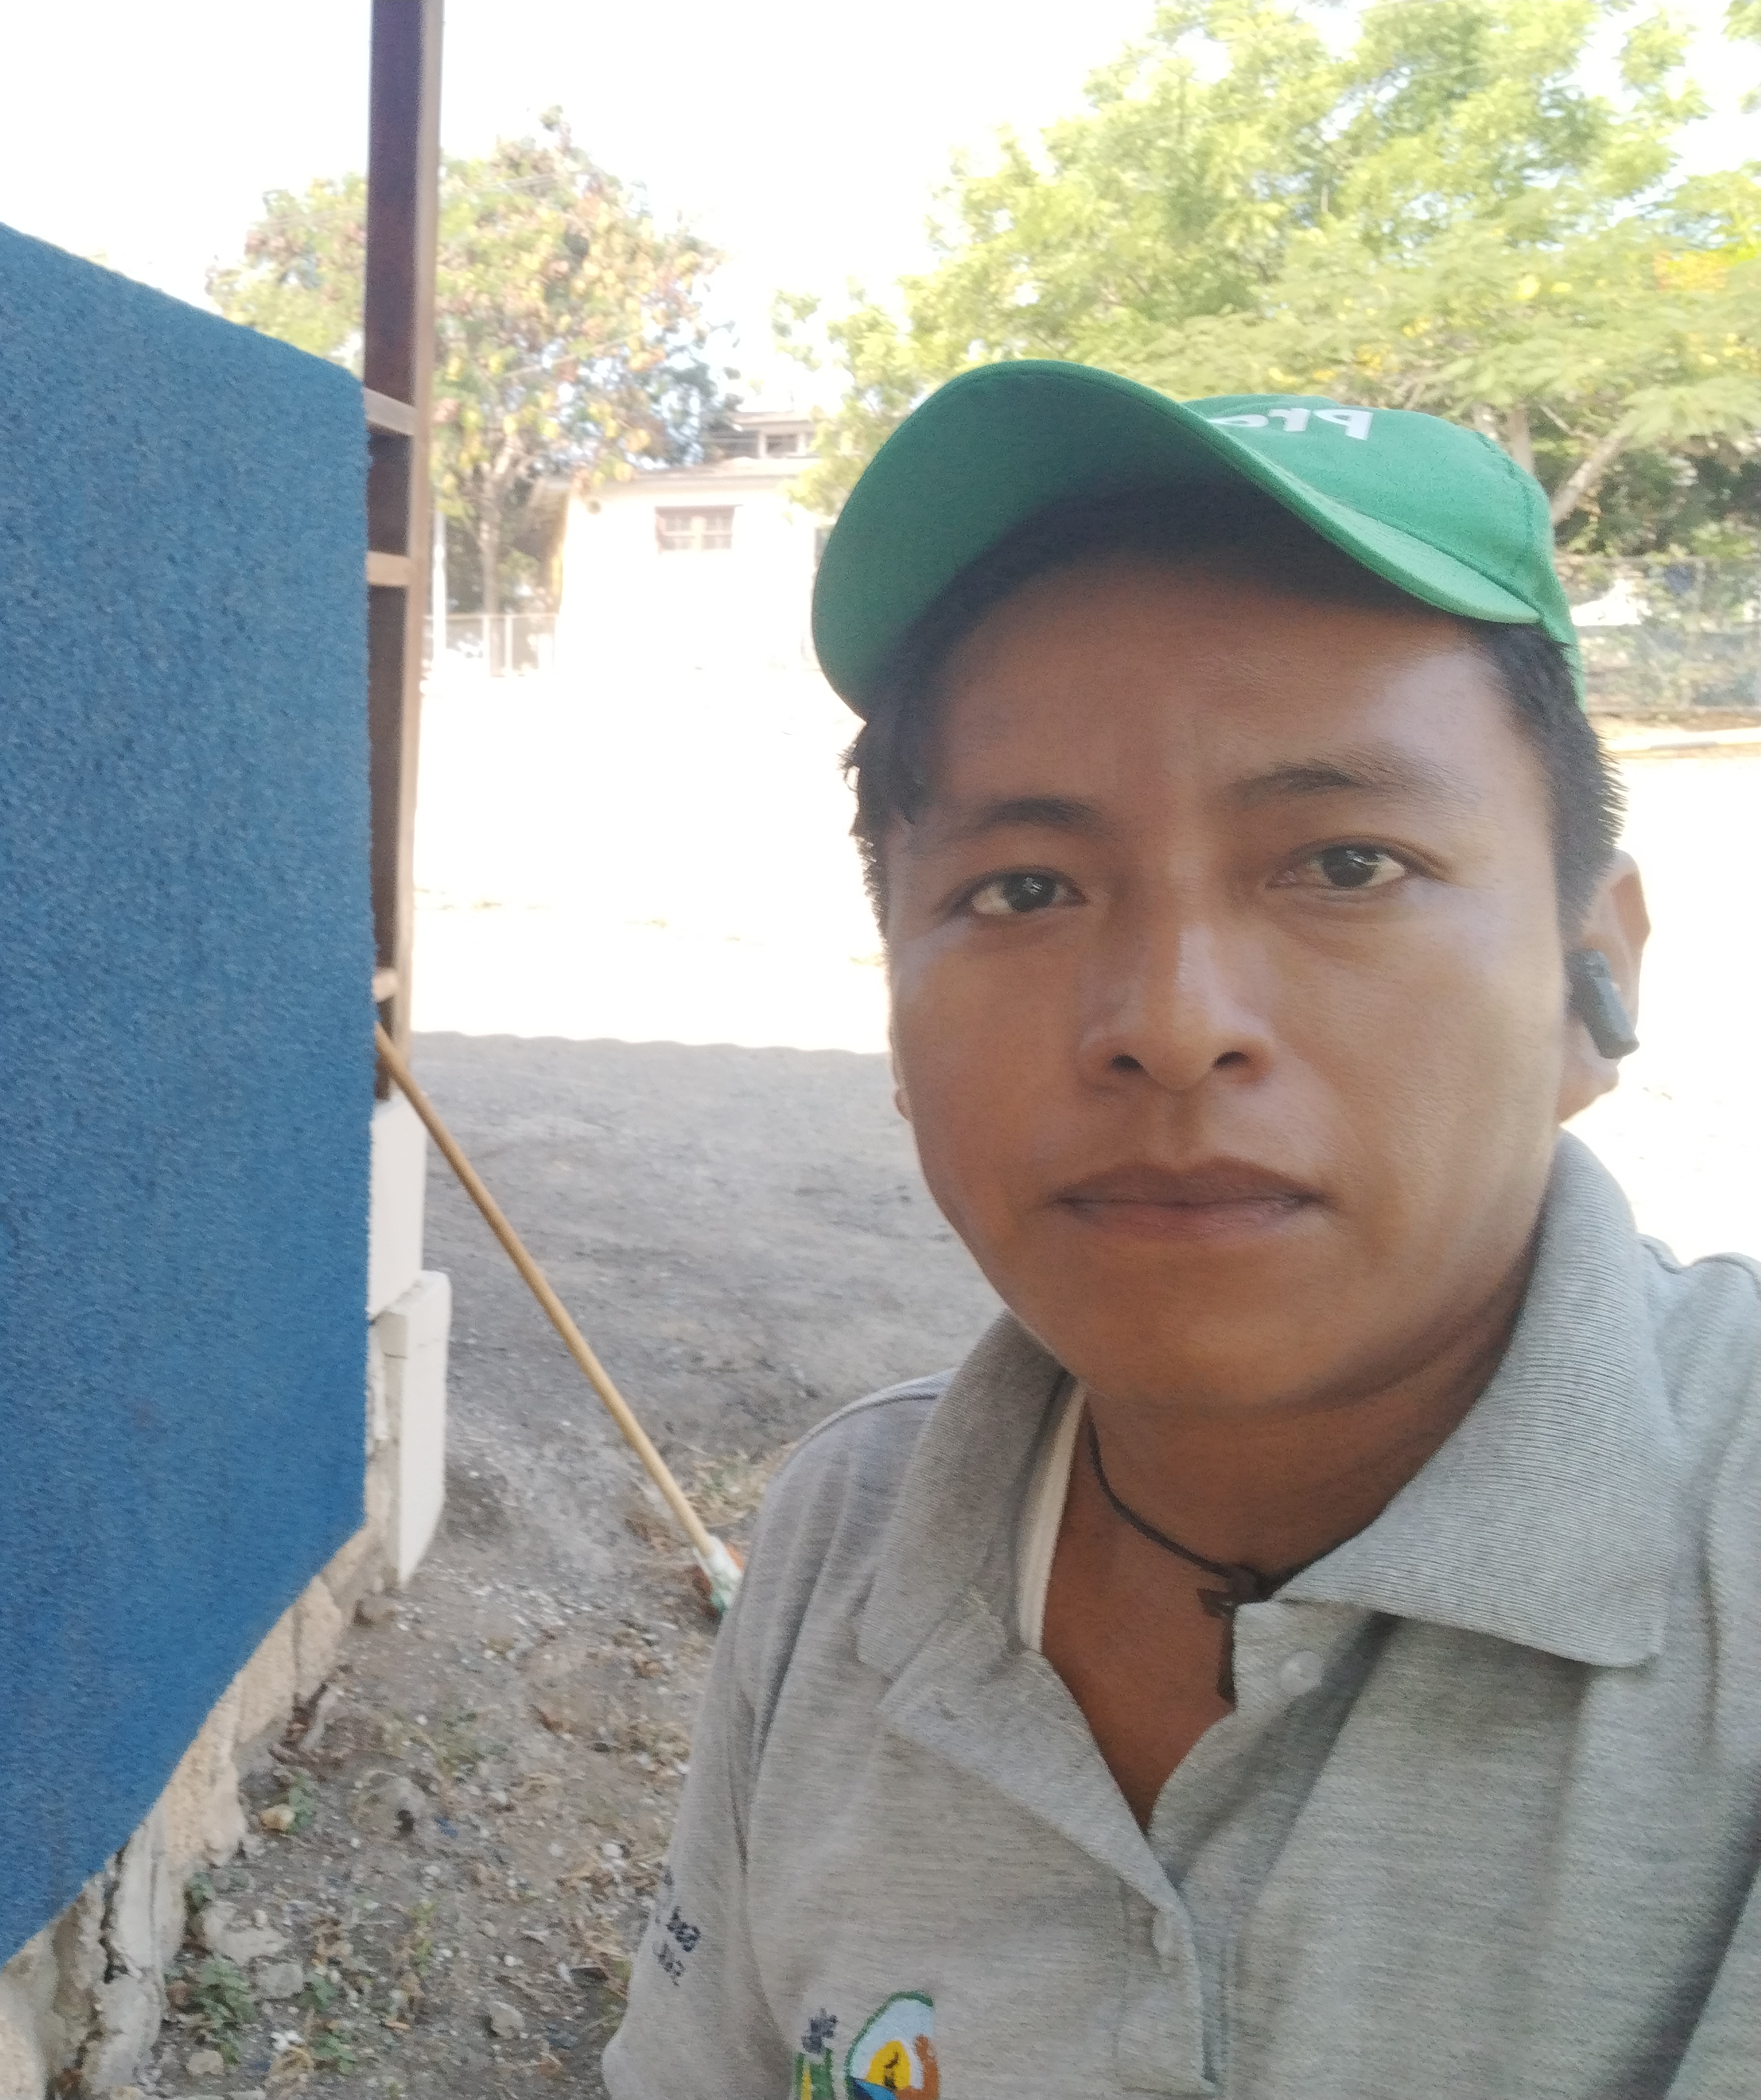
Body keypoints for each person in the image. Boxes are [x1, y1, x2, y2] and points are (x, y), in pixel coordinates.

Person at [604, 361, 1758, 2099]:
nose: (1169, 1020)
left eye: (1345, 863)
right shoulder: (855, 1539)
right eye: (1024, 890)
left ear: (1594, 981)